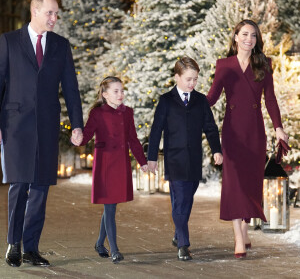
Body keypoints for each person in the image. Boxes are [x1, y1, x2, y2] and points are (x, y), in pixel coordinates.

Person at [0, 0, 83, 267]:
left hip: (47, 126)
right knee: (19, 184)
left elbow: (71, 88)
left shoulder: (61, 46)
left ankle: (31, 248)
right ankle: (14, 244)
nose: (54, 18)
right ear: (35, 11)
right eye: (50, 13)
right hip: (16, 125)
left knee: (40, 187)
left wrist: (77, 124)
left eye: (56, 13)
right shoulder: (9, 41)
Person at [206, 19, 288, 258]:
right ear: (235, 37)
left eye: (253, 35)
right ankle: (238, 238)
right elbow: (211, 98)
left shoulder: (264, 63)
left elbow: (270, 99)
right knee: (234, 185)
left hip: (255, 132)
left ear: (256, 39)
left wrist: (278, 127)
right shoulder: (224, 65)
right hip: (232, 133)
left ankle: (244, 229)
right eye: (244, 34)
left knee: (250, 184)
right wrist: (189, 101)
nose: (248, 39)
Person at [147, 57, 223, 261]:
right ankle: (183, 244)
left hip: (194, 159)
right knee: (180, 200)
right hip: (175, 159)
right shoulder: (166, 101)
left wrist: (217, 150)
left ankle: (177, 233)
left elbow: (210, 127)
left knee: (186, 200)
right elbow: (156, 131)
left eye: (195, 80)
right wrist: (151, 158)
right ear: (177, 77)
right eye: (188, 79)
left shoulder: (200, 101)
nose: (192, 83)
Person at [71, 76, 148, 264]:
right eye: (116, 91)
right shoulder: (97, 114)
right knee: (110, 207)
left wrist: (143, 162)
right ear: (105, 95)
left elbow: (133, 140)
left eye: (122, 90)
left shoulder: (127, 112)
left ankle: (99, 243)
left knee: (111, 206)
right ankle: (114, 249)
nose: (120, 94)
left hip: (121, 164)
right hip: (105, 165)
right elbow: (87, 134)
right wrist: (78, 136)